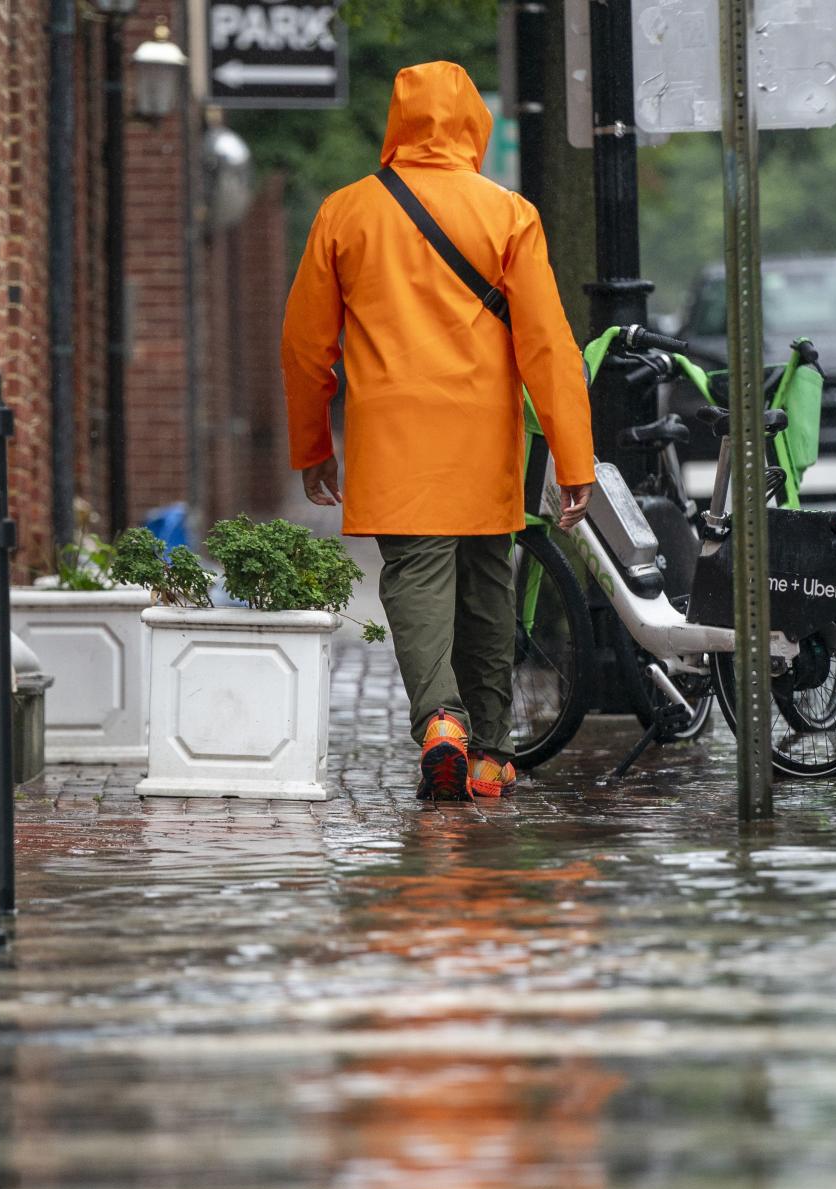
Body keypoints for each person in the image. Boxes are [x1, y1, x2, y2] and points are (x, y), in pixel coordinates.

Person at [281, 61, 595, 803]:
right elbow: (548, 346)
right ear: (471, 125)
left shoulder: (346, 212)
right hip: (485, 437)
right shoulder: (508, 213)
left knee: (416, 578)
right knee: (489, 583)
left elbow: (303, 345)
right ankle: (490, 755)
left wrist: (312, 448)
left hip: (395, 436)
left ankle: (441, 724)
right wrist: (574, 457)